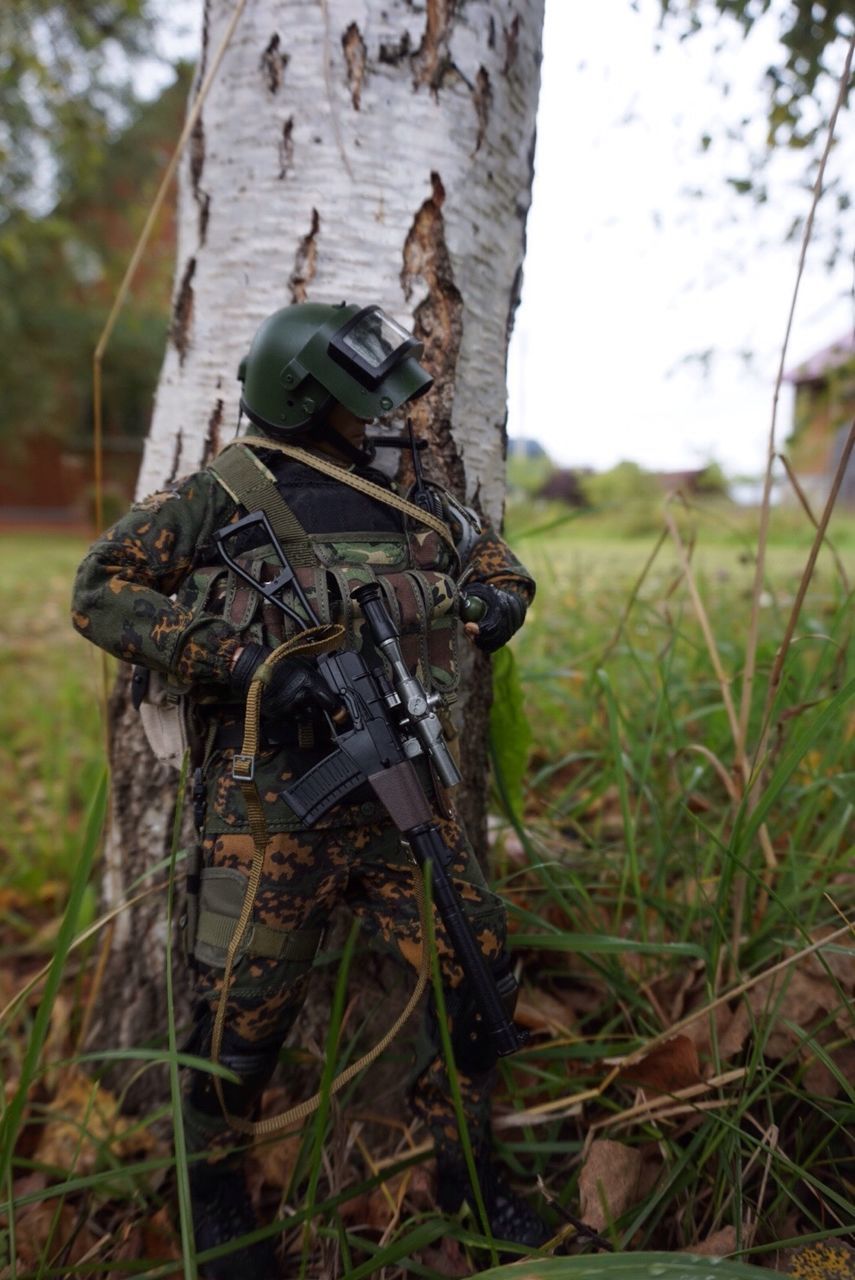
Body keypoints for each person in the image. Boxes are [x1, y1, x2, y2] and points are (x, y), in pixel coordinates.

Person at [72, 301, 546, 1275]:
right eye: (353, 402)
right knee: (239, 1023)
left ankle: (466, 1166)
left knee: (477, 975)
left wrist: (496, 599)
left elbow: (492, 558)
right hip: (272, 816)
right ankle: (213, 1197)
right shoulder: (224, 492)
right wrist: (246, 661)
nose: (376, 418)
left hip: (404, 797)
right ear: (305, 399)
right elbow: (103, 586)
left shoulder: (408, 489)